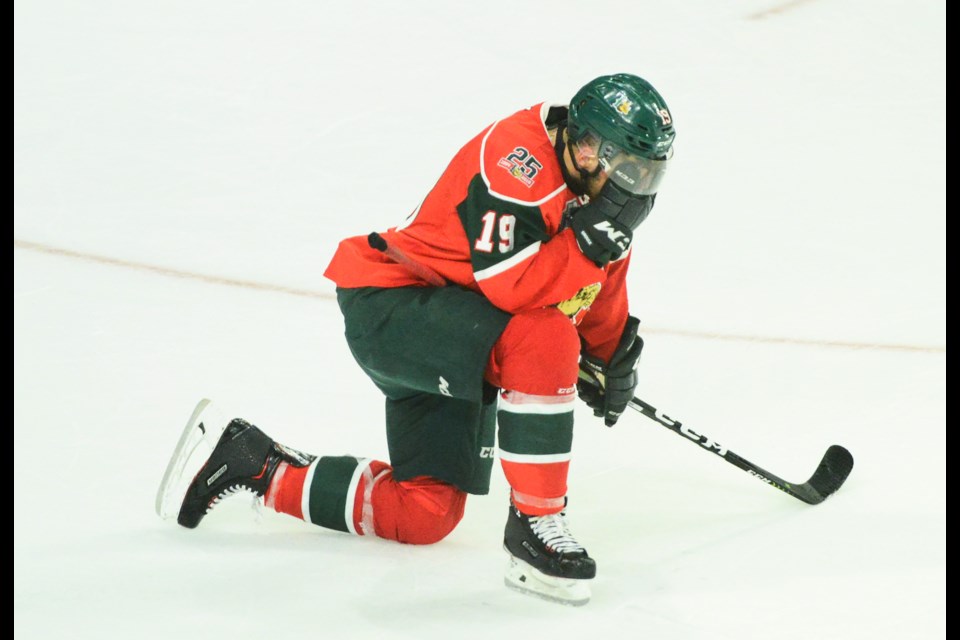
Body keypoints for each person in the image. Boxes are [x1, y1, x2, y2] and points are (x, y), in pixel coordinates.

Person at [156, 73, 676, 606]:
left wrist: (611, 360)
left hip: (454, 333)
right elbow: (510, 287)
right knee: (543, 339)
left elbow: (595, 285)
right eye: (629, 168)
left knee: (425, 514)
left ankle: (255, 464)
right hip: (392, 306)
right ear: (587, 147)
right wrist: (580, 283)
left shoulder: (597, 202)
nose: (635, 186)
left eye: (649, 173)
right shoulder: (515, 160)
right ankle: (536, 528)